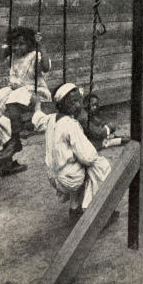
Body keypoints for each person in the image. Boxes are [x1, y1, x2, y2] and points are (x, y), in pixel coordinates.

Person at [31, 84, 112, 222]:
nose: (78, 105)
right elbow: (88, 157)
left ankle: (74, 208)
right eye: (73, 102)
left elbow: (37, 119)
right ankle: (96, 211)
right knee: (99, 165)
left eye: (78, 101)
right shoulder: (71, 124)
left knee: (76, 165)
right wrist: (97, 143)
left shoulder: (51, 118)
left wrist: (37, 105)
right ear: (63, 104)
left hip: (53, 177)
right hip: (70, 180)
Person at [0, 27, 52, 166]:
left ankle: (14, 140)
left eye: (21, 44)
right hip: (16, 91)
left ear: (30, 44)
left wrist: (40, 45)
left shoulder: (34, 55)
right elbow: (3, 54)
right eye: (14, 44)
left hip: (34, 91)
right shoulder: (13, 56)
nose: (17, 47)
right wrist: (8, 44)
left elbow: (45, 67)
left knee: (12, 101)